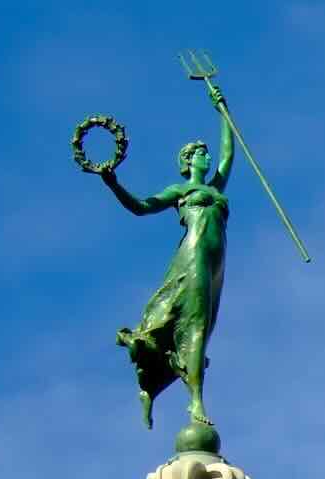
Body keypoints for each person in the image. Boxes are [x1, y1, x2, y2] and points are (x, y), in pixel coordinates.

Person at [98, 101, 234, 429]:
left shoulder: (214, 188)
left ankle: (165, 388)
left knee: (205, 327)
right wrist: (113, 184)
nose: (207, 155)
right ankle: (196, 401)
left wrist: (223, 112)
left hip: (217, 265)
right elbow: (142, 207)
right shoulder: (181, 190)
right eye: (200, 153)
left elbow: (229, 155)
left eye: (206, 151)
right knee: (196, 326)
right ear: (187, 162)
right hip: (194, 257)